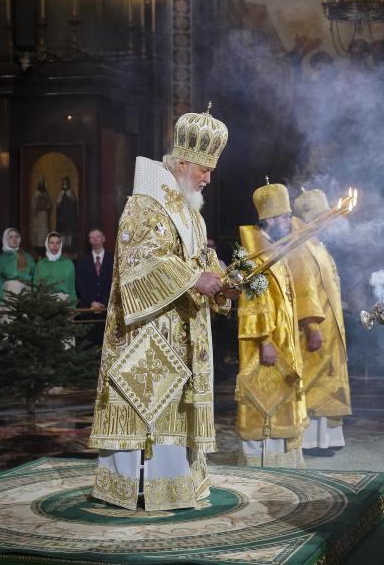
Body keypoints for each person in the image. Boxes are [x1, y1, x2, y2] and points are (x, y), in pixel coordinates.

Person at [87, 107, 235, 511]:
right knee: (147, 409)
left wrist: (222, 286)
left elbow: (202, 265)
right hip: (149, 335)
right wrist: (193, 280)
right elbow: (138, 262)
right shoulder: (147, 203)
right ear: (182, 162)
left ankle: (178, 484)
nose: (208, 177)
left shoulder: (192, 213)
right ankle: (136, 486)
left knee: (177, 408)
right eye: (204, 169)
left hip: (184, 334)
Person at [236, 182, 308, 468]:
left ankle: (282, 461)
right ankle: (259, 462)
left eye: (287, 215)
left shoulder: (275, 248)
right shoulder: (253, 253)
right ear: (267, 219)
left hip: (284, 338)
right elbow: (252, 300)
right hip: (264, 343)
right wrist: (265, 339)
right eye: (282, 217)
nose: (287, 221)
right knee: (263, 397)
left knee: (282, 396)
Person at [290, 189, 352, 457]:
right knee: (315, 381)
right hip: (314, 327)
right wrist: (312, 325)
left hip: (330, 324)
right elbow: (305, 289)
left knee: (328, 379)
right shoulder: (301, 244)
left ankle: (328, 437)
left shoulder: (316, 242)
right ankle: (312, 440)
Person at [76, 228, 113, 345]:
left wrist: (104, 302)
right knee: (88, 342)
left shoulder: (113, 260)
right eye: (92, 238)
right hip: (88, 309)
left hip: (108, 308)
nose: (95, 240)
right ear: (89, 241)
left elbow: (115, 283)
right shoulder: (82, 261)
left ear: (103, 239)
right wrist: (92, 302)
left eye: (98, 237)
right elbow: (80, 285)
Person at [0, 228, 35, 307]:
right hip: (8, 295)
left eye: (17, 236)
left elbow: (35, 277)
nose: (14, 239)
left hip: (27, 294)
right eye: (10, 237)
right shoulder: (0, 259)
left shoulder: (28, 257)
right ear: (5, 239)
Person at [33, 232, 76, 302]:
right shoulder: (40, 264)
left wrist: (73, 304)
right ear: (47, 244)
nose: (55, 245)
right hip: (45, 301)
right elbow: (36, 286)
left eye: (57, 243)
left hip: (64, 301)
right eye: (51, 243)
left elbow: (72, 287)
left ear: (60, 245)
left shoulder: (68, 263)